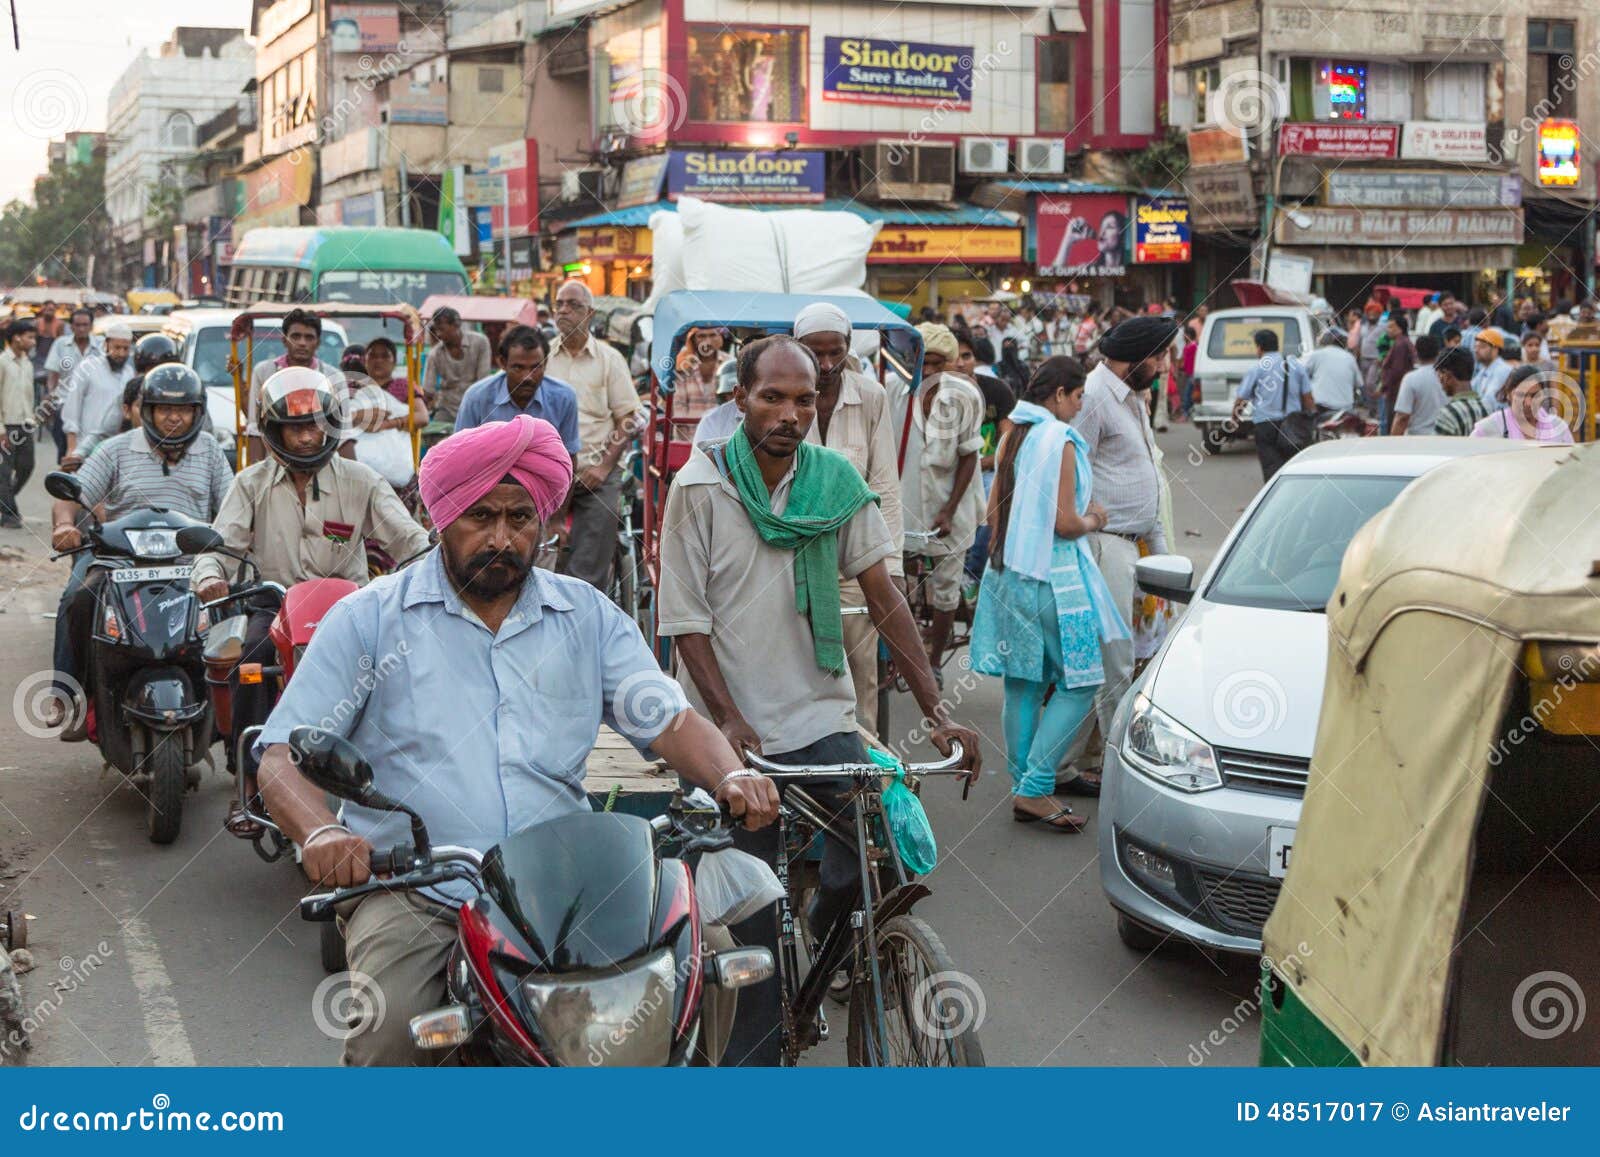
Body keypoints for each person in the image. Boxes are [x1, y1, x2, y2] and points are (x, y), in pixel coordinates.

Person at [254, 413, 778, 1066]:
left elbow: (669, 718)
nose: (502, 537)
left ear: (545, 523)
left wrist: (729, 775)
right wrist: (322, 833)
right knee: (392, 1036)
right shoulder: (369, 620)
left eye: (520, 518)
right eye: (481, 517)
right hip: (424, 892)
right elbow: (283, 757)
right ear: (442, 515)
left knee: (713, 965)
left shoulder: (584, 614)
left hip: (570, 886)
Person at [656, 335, 980, 1064]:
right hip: (726, 734)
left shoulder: (834, 483)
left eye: (804, 398)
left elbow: (885, 598)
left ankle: (837, 957)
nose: (790, 412)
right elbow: (684, 622)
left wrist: (937, 712)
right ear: (739, 399)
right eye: (772, 396)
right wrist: (728, 718)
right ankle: (760, 1054)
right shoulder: (699, 487)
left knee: (879, 856)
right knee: (753, 919)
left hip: (819, 713)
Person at [191, 368, 430, 817]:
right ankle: (248, 781)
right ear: (273, 429)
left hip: (352, 609)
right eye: (294, 427)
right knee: (250, 666)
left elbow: (409, 539)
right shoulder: (251, 483)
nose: (305, 438)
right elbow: (218, 546)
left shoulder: (362, 480)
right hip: (274, 605)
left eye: (314, 425)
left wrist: (428, 561)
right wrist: (209, 575)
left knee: (400, 672)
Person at [971, 357, 1128, 832]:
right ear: (1059, 393)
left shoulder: (1014, 432)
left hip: (1009, 574)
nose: (1080, 407)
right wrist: (1096, 520)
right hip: (1056, 578)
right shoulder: (1057, 440)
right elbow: (1064, 522)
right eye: (1078, 397)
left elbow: (993, 514)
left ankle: (1025, 788)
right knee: (1081, 683)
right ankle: (1036, 788)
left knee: (1023, 684)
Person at [44, 366, 231, 732]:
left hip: (191, 563)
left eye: (184, 409)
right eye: (164, 409)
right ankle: (69, 696)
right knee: (76, 599)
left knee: (238, 604)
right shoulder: (115, 450)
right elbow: (72, 498)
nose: (174, 417)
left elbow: (233, 507)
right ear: (147, 411)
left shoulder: (210, 451)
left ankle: (232, 707)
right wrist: (65, 524)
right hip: (119, 561)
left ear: (197, 412)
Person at [1059, 316, 1174, 791]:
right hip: (1105, 547)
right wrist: (1086, 528)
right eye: (1160, 356)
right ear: (1135, 355)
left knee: (1108, 666)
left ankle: (1060, 768)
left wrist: (1164, 562)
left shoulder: (1133, 397)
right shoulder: (1095, 398)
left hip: (1135, 547)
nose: (1165, 366)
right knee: (1115, 664)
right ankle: (1124, 772)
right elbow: (1071, 469)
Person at [792, 303, 904, 734]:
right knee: (800, 669)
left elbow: (886, 485)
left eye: (834, 352)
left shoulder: (870, 397)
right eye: (813, 353)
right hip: (794, 556)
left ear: (848, 348)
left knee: (861, 673)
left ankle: (866, 769)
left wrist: (891, 568)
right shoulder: (786, 394)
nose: (825, 364)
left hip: (858, 560)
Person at [900, 324, 986, 674]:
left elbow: (969, 457)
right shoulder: (896, 391)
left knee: (947, 588)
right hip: (907, 503)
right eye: (924, 363)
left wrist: (948, 511)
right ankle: (903, 651)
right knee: (898, 581)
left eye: (938, 364)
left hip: (953, 504)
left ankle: (933, 664)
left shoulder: (961, 397)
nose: (929, 371)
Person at [547, 279, 643, 591]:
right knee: (541, 554)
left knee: (588, 565)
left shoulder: (610, 358)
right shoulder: (542, 357)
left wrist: (602, 468)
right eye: (559, 304)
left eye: (572, 305)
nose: (564, 310)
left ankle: (585, 619)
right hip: (548, 473)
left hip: (596, 471)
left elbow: (628, 418)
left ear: (589, 315)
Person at [453, 325, 580, 454]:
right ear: (502, 363)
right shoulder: (476, 397)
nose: (527, 377)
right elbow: (460, 453)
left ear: (545, 364)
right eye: (518, 368)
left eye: (535, 368)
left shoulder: (564, 397)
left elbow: (569, 455)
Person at [245, 310, 349, 466]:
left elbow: (343, 431)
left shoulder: (334, 378)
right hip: (275, 463)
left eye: (309, 337)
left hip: (321, 463)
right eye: (296, 336)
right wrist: (256, 476)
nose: (302, 343)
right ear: (284, 340)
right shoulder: (264, 372)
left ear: (318, 342)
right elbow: (255, 427)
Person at [956, 332, 1015, 584]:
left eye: (966, 356)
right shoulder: (931, 394)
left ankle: (972, 575)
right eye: (954, 356)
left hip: (987, 471)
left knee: (995, 506)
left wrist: (979, 464)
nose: (960, 363)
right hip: (946, 472)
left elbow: (1008, 442)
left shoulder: (997, 390)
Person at [1234, 328, 1315, 482]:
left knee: (1271, 466)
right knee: (1293, 465)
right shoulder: (1296, 365)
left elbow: (1242, 399)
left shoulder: (1257, 368)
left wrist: (1235, 418)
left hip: (1266, 425)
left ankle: (1274, 498)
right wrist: (1311, 419)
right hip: (1293, 424)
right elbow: (1308, 398)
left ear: (1259, 347)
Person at [59, 323, 133, 467]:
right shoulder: (87, 368)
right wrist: (72, 449)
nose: (121, 353)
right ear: (106, 345)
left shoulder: (129, 373)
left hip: (114, 451)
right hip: (85, 448)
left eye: (126, 349)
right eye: (117, 348)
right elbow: (71, 408)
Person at [420, 306, 492, 435]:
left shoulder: (480, 342)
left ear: (456, 325)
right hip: (447, 408)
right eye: (436, 330)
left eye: (442, 329)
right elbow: (428, 390)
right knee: (434, 437)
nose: (439, 335)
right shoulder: (435, 354)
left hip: (476, 405)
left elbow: (483, 382)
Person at [42, 308, 98, 460]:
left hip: (92, 404)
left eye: (85, 325)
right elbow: (53, 374)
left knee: (90, 450)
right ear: (71, 326)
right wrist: (51, 394)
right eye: (78, 325)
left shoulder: (100, 346)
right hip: (65, 402)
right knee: (64, 447)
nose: (81, 328)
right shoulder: (61, 344)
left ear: (91, 326)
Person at [1470, 364, 1575, 444]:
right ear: (1509, 394)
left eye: (1535, 395)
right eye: (1521, 395)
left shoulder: (1558, 427)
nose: (1528, 403)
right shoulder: (1491, 427)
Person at [0, 319, 38, 528]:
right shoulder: (3, 362)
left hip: (25, 424)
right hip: (7, 425)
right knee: (4, 472)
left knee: (26, 466)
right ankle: (9, 513)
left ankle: (6, 500)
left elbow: (29, 396)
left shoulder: (27, 363)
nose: (33, 342)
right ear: (16, 338)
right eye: (29, 337)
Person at [673, 327, 731, 438]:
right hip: (689, 435)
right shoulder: (683, 365)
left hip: (723, 435)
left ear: (719, 338)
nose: (707, 341)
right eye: (701, 336)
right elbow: (679, 404)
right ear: (693, 340)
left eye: (712, 335)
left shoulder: (729, 363)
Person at [1391, 335, 1447, 436]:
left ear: (1416, 353)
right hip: (1444, 436)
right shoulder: (1447, 376)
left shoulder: (1411, 379)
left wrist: (1393, 444)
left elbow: (1402, 417)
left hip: (1417, 439)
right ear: (1438, 353)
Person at [1301, 327, 1361, 413]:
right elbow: (1358, 384)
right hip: (1345, 407)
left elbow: (1304, 376)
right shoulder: (1350, 358)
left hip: (1321, 405)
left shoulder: (1317, 354)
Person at [1433, 346, 1489, 436]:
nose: (1440, 381)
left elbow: (1439, 449)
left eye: (1439, 375)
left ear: (1446, 376)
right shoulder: (1487, 408)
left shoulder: (1447, 414)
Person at [1376, 313, 1415, 435]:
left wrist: (1384, 385)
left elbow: (1396, 370)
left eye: (1391, 327)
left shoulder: (1400, 344)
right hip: (1397, 389)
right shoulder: (1401, 342)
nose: (1388, 330)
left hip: (1395, 391)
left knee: (1390, 423)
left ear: (1400, 328)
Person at [1470, 328, 1511, 412]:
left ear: (1495, 349)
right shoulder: (1484, 369)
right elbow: (1470, 390)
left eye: (1482, 346)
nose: (1476, 350)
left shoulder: (1502, 370)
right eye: (1475, 347)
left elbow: (1489, 401)